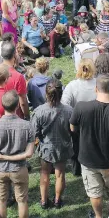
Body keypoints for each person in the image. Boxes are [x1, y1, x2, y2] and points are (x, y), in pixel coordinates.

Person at [70, 74, 109, 218]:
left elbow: (72, 128)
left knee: (94, 191)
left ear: (96, 89)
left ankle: (98, 216)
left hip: (88, 159)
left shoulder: (81, 107)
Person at [0, 90, 35, 218]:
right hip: (19, 169)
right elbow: (29, 154)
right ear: (18, 105)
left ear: (2, 105)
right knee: (22, 200)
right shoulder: (28, 126)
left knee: (1, 200)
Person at [31, 78, 73, 209]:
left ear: (46, 93)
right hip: (63, 147)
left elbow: (33, 132)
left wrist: (37, 141)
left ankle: (43, 201)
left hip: (45, 148)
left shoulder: (38, 111)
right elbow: (73, 130)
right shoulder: (69, 111)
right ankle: (57, 200)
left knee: (44, 173)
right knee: (60, 174)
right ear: (61, 93)